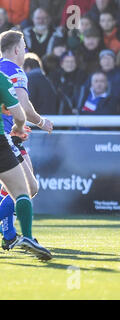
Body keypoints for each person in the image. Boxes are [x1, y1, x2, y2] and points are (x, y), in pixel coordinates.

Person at [0, 30, 53, 260]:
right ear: (16, 50)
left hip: (8, 134)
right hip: (7, 135)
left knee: (23, 187)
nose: (25, 50)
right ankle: (19, 235)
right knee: (28, 188)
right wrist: (41, 122)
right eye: (24, 46)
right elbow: (22, 106)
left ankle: (10, 233)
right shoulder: (14, 71)